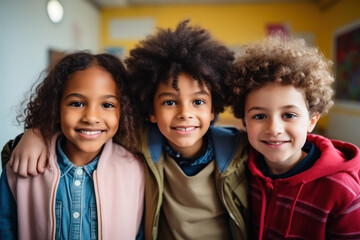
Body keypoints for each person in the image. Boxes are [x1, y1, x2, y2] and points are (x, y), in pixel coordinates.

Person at [2, 20, 250, 239]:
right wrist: (34, 133)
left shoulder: (237, 150)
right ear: (149, 110)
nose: (185, 113)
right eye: (170, 102)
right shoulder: (140, 147)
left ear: (214, 108)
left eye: (198, 101)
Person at [0, 52, 145, 239]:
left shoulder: (135, 170)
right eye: (76, 103)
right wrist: (34, 132)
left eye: (107, 105)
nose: (91, 117)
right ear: (56, 107)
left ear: (123, 112)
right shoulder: (22, 164)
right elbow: (5, 227)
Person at [230, 35, 360, 239]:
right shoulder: (238, 171)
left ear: (312, 120)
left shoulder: (342, 191)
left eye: (289, 115)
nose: (274, 128)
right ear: (244, 122)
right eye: (259, 116)